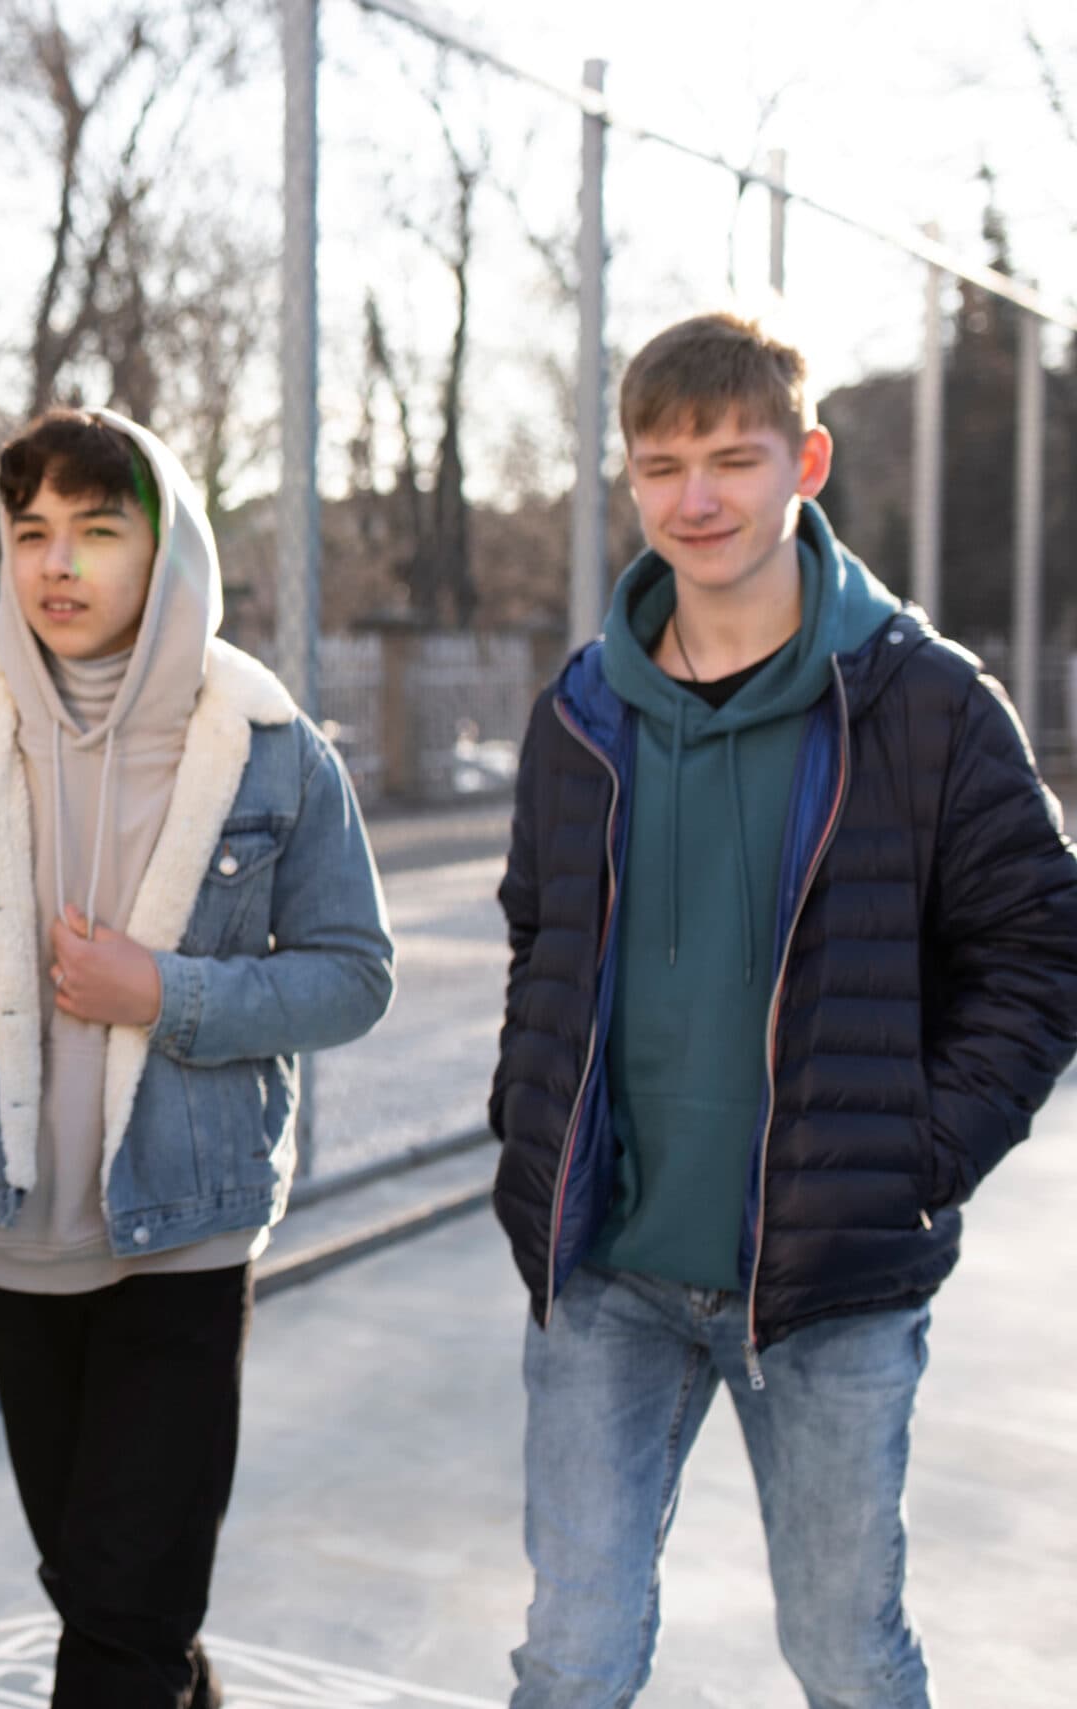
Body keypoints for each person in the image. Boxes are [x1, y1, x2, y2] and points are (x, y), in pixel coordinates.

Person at [490, 310, 1077, 1707]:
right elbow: (537, 935)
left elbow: (1042, 946)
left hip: (830, 1286)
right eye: (661, 464)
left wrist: (915, 1154)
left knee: (845, 1654)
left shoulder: (925, 704)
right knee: (571, 1659)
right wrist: (530, 1121)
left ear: (804, 464)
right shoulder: (580, 712)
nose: (694, 498)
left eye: (732, 459)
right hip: (608, 1273)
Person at [0, 406, 394, 1708]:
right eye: (30, 530)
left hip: (184, 1232)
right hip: (10, 1230)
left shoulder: (270, 749)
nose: (58, 563)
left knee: (122, 1614)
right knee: (108, 1595)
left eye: (97, 530)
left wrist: (166, 992)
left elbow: (355, 974)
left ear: (168, 550)